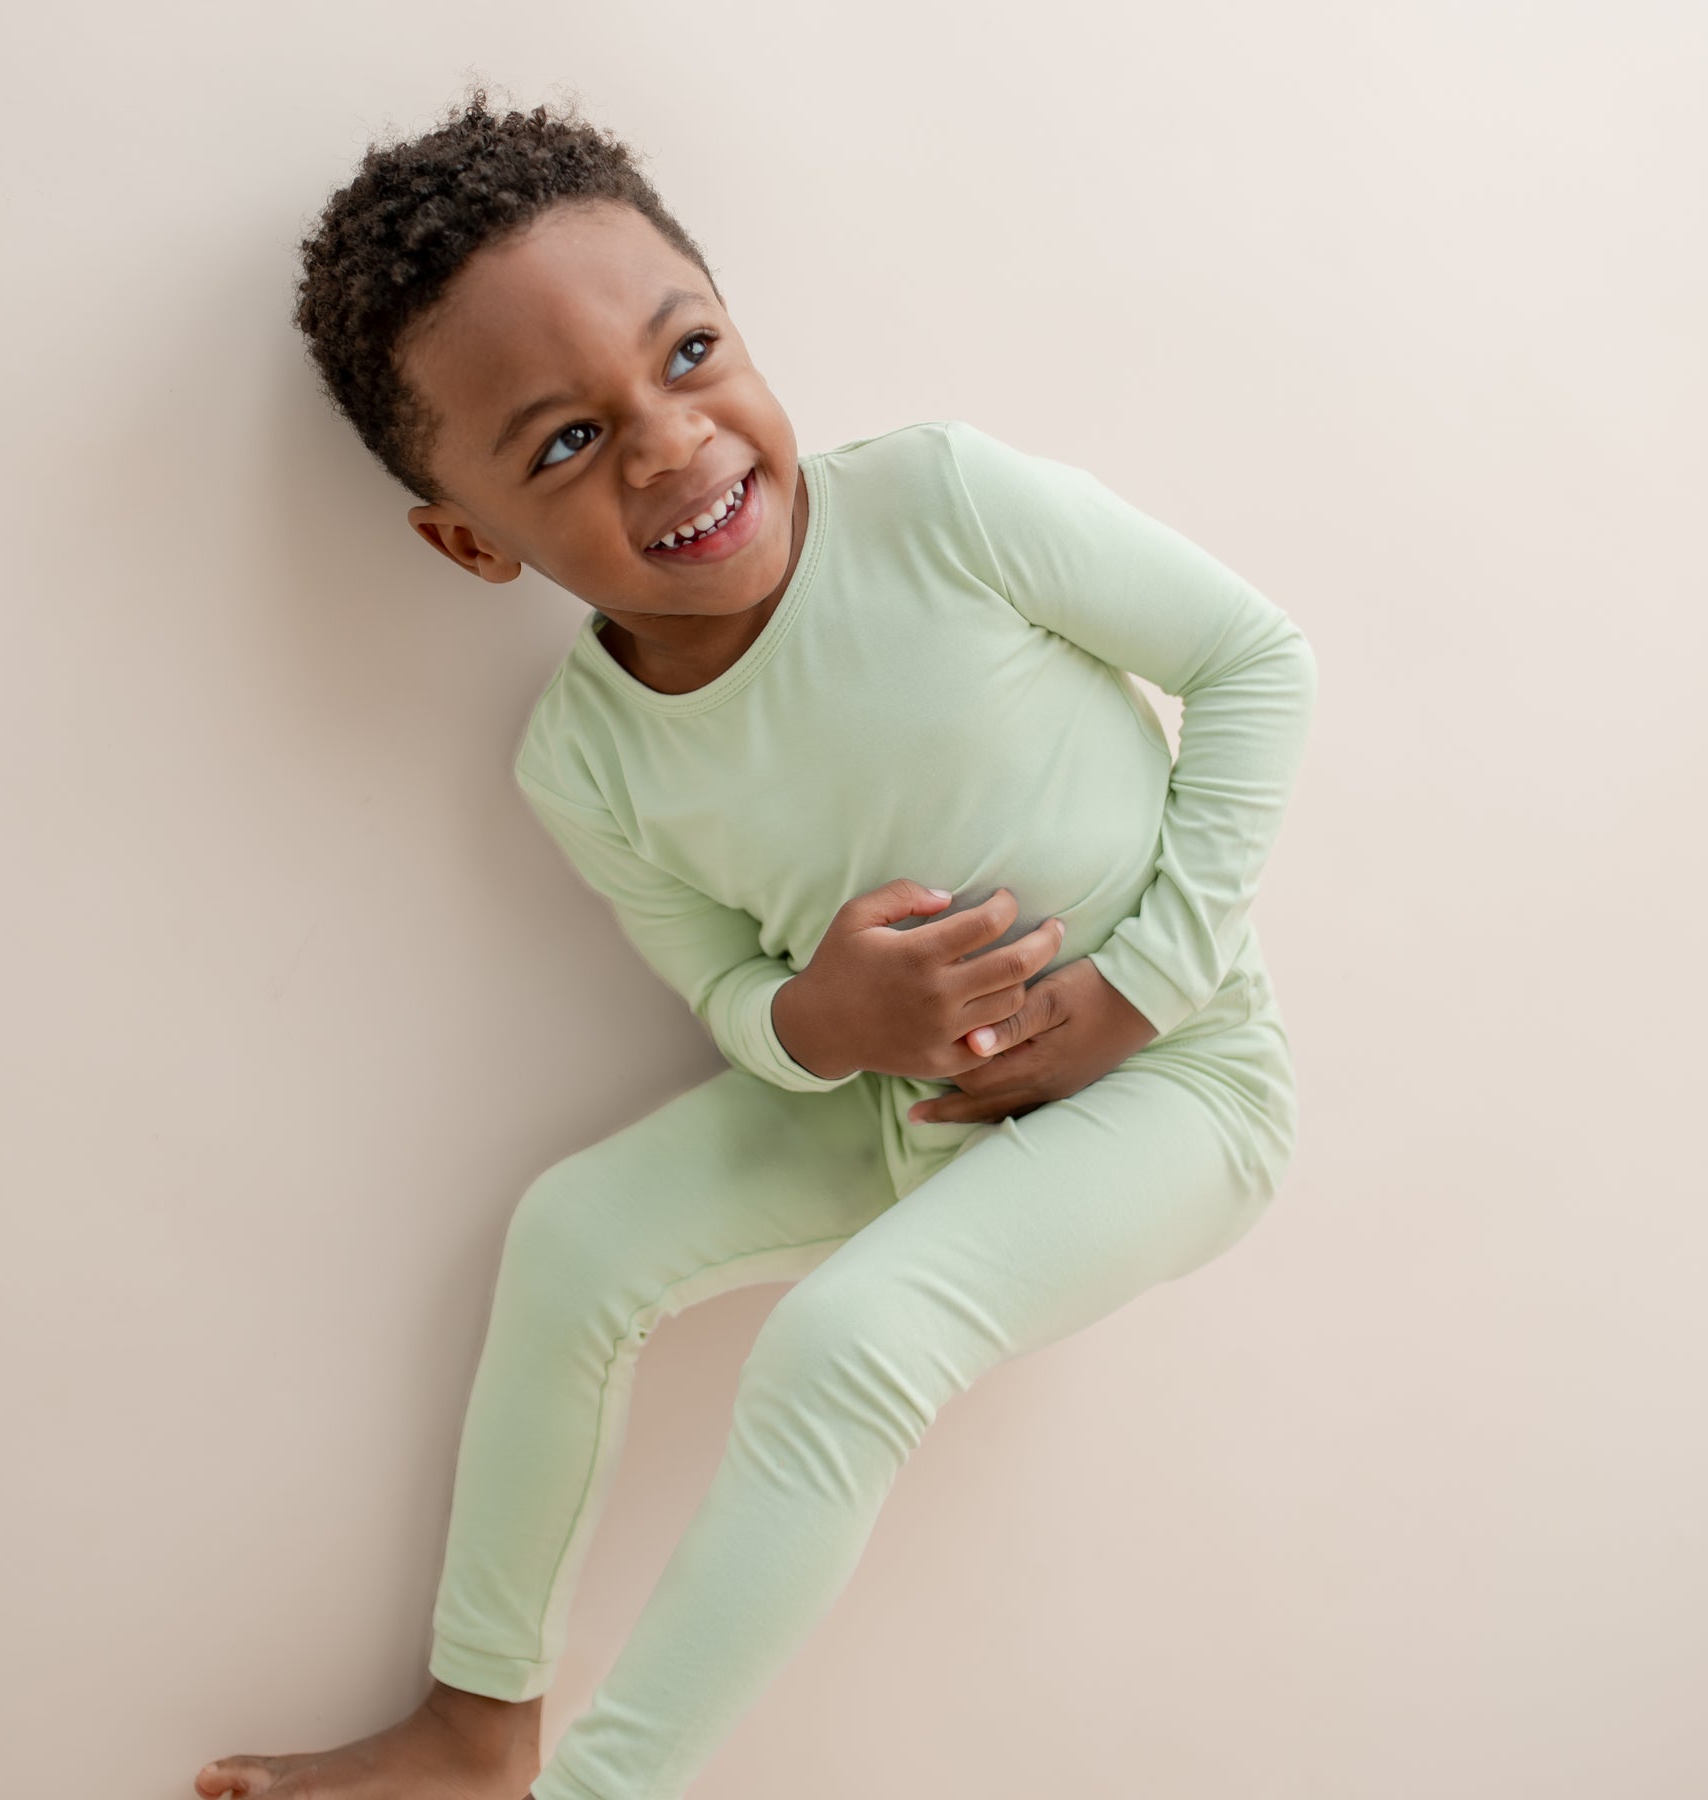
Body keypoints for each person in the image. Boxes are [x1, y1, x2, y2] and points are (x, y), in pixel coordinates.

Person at [196, 83, 1317, 1800]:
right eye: (564, 443)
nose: (668, 445)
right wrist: (821, 1018)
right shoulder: (583, 760)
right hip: (888, 1108)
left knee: (845, 1348)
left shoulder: (941, 506)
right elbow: (726, 991)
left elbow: (1255, 662)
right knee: (572, 1235)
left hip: (1174, 1086)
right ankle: (476, 1727)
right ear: (467, 541)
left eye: (691, 353)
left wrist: (1142, 990)